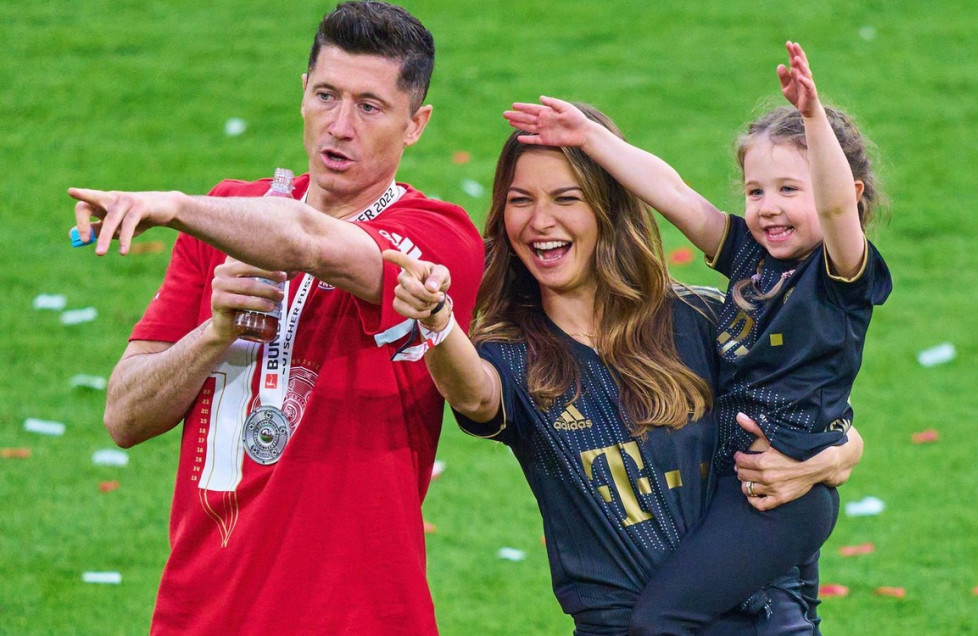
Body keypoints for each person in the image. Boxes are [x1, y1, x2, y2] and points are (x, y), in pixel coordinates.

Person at [68, 2, 483, 634]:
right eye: (326, 95)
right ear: (302, 96)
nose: (339, 126)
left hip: (361, 616)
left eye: (369, 106)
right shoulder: (226, 217)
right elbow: (124, 416)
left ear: (415, 124)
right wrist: (215, 332)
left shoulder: (435, 236)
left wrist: (175, 205)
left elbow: (307, 243)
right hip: (199, 612)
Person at [382, 100, 865, 635]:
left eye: (567, 198)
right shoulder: (510, 352)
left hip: (761, 620)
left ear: (608, 209)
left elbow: (813, 411)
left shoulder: (702, 318)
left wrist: (833, 455)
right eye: (521, 200)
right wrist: (438, 324)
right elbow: (473, 395)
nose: (540, 221)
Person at [503, 42, 891, 633]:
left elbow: (838, 207)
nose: (768, 208)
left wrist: (814, 118)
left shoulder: (839, 278)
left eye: (791, 189)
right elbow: (674, 193)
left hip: (784, 491)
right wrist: (589, 137)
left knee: (660, 619)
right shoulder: (750, 261)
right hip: (746, 480)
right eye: (757, 191)